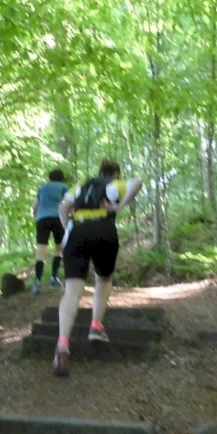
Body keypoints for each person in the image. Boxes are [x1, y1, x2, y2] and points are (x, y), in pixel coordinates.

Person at [53, 159, 142, 377]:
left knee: (72, 290)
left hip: (77, 232)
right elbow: (138, 181)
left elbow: (62, 207)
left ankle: (63, 343)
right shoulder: (114, 185)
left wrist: (68, 231)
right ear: (115, 174)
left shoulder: (81, 186)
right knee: (103, 279)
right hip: (104, 229)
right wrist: (120, 206)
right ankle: (95, 327)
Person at [31, 168, 70, 295]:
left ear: (50, 178)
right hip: (58, 218)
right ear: (62, 178)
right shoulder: (64, 187)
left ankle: (37, 282)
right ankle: (53, 278)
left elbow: (34, 207)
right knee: (59, 248)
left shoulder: (42, 188)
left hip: (42, 219)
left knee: (41, 250)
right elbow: (68, 204)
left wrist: (38, 217)